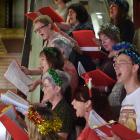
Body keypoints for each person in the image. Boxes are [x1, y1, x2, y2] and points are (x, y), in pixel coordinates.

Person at [100, 47, 140, 140]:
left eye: (121, 63)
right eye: (115, 64)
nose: (116, 67)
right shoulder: (125, 100)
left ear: (134, 67)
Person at [42, 68, 75, 139]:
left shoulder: (64, 112)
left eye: (46, 86)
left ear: (57, 89)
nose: (43, 89)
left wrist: (34, 116)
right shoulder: (49, 105)